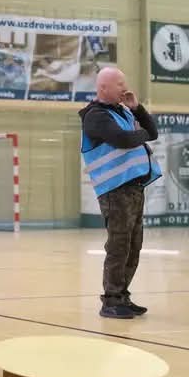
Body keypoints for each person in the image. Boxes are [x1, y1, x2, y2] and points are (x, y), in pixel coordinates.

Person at [78, 67, 160, 319]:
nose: (125, 88)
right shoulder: (95, 116)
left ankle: (122, 296)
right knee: (119, 245)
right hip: (115, 192)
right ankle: (111, 300)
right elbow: (122, 139)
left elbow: (153, 132)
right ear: (103, 88)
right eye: (119, 84)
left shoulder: (124, 111)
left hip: (134, 189)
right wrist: (139, 134)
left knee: (134, 246)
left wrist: (137, 109)